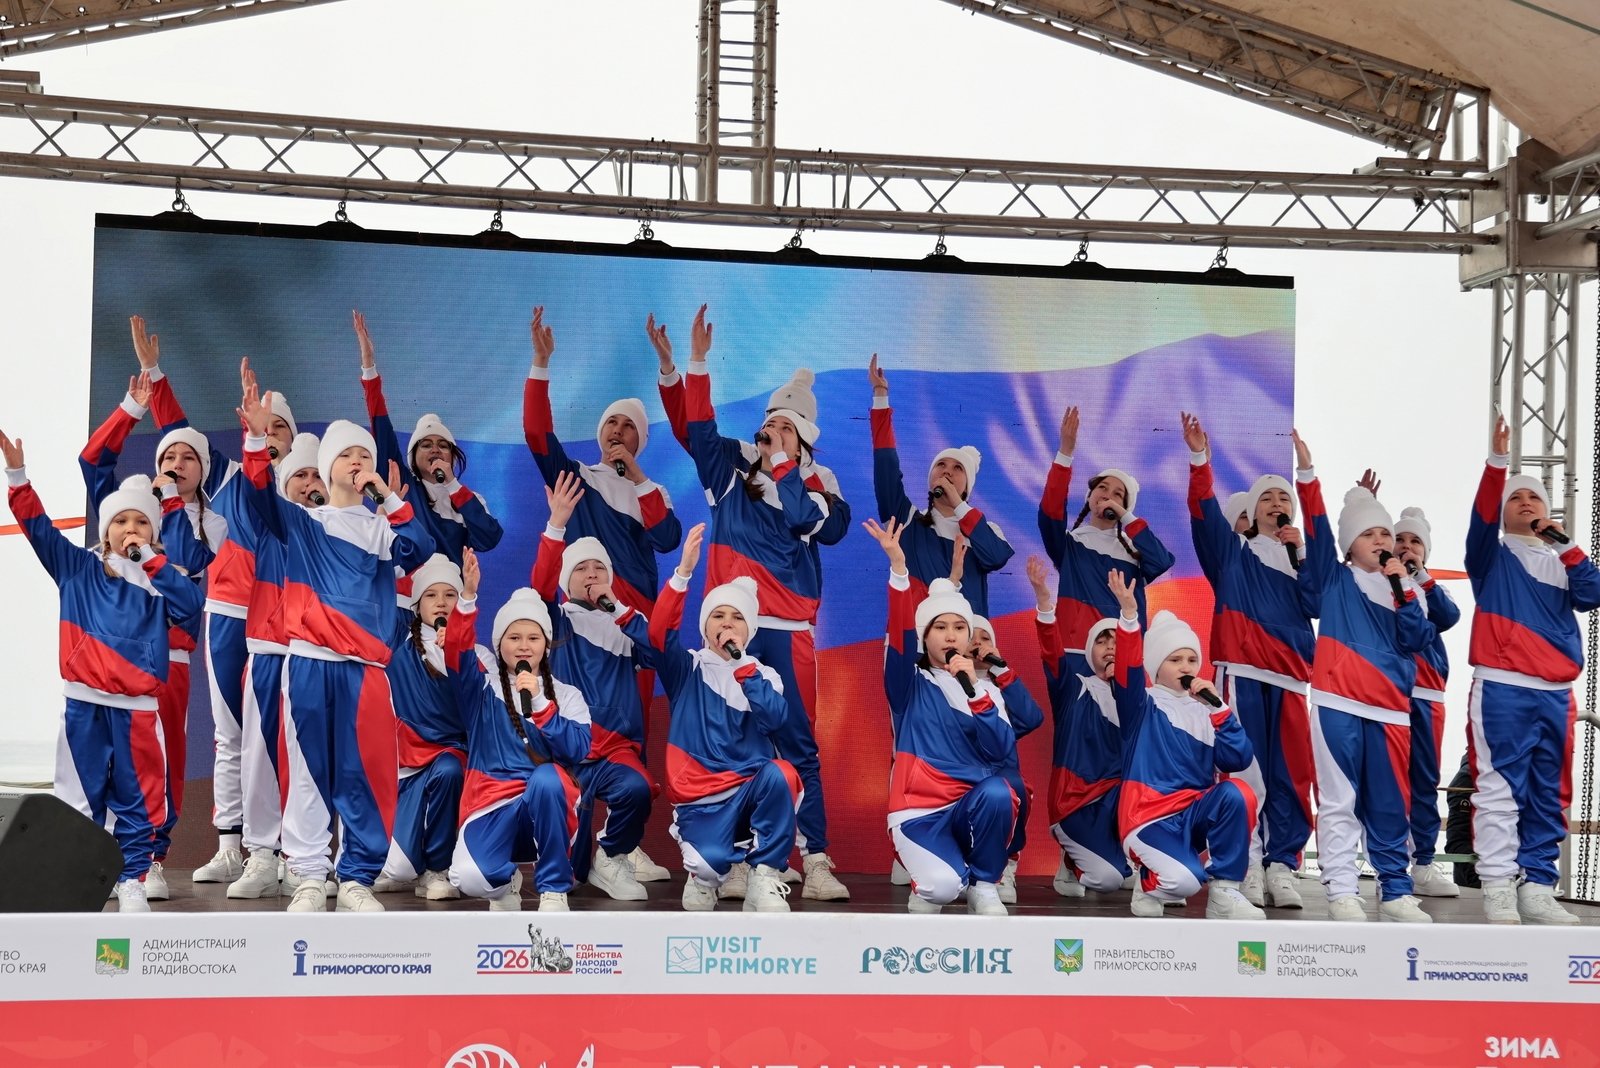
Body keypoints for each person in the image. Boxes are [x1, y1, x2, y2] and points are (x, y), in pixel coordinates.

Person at [652, 306, 849, 901]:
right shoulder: (732, 470)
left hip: (786, 630)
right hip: (728, 629)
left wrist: (784, 463)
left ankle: (816, 859)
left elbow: (813, 523)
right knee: (729, 743)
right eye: (769, 425)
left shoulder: (818, 483)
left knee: (796, 742)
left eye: (784, 427)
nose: (770, 433)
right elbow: (697, 430)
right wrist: (690, 364)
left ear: (804, 438)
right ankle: (739, 859)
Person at [238, 368, 434, 913]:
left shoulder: (381, 531)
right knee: (306, 772)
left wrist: (387, 496)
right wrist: (255, 438)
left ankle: (355, 879)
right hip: (308, 663)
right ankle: (307, 876)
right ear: (328, 468)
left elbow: (420, 548)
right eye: (346, 455)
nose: (356, 462)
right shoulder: (304, 522)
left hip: (365, 671)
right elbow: (259, 494)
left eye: (364, 456)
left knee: (363, 773)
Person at [124, 319, 298, 887]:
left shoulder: (306, 486)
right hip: (227, 615)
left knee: (281, 735)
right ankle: (230, 846)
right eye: (263, 425)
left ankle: (286, 852)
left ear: (293, 438)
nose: (270, 434)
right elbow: (180, 439)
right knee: (230, 734)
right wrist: (154, 373)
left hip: (284, 624)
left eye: (280, 428)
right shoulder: (228, 476)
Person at [3, 428, 204, 912]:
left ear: (153, 532)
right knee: (79, 798)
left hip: (138, 710)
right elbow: (38, 528)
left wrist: (152, 561)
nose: (131, 528)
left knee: (139, 799)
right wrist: (18, 475)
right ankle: (77, 880)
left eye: (141, 522)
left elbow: (191, 608)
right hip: (84, 707)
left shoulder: (161, 579)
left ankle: (132, 878)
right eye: (121, 521)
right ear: (105, 528)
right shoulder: (77, 567)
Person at [523, 305, 680, 885]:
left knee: (630, 731)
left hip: (631, 625)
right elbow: (537, 437)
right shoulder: (578, 479)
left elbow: (667, 538)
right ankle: (574, 845)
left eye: (628, 426)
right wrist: (541, 365)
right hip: (577, 628)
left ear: (640, 439)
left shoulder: (649, 489)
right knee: (579, 729)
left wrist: (637, 476)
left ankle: (623, 844)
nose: (617, 431)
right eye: (611, 423)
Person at [604, 526, 798, 912]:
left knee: (783, 774)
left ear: (749, 628)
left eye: (736, 617)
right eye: (718, 616)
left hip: (748, 791)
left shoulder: (763, 674)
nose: (727, 624)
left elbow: (775, 719)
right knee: (709, 867)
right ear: (705, 626)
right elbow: (658, 634)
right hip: (701, 799)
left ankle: (763, 876)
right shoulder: (687, 668)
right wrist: (683, 573)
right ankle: (703, 877)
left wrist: (743, 667)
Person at [75, 367, 209, 900]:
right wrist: (132, 409)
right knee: (99, 761)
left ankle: (150, 855)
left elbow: (192, 564)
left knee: (161, 758)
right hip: (105, 663)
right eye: (166, 457)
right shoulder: (122, 518)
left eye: (186, 458)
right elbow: (93, 462)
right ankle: (101, 855)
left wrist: (169, 503)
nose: (174, 464)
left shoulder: (196, 523)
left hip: (165, 660)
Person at [1181, 414, 1321, 909]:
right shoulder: (1232, 552)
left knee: (1292, 776)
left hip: (1292, 679)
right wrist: (1200, 458)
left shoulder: (1302, 556)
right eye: (1267, 498)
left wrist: (1302, 555)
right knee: (1245, 773)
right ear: (1253, 509)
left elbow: (1317, 603)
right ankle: (1247, 864)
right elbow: (1203, 511)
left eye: (1284, 498)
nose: (1277, 504)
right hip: (1241, 673)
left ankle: (1282, 865)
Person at [1464, 416, 1600, 925]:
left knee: (1550, 792)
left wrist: (1565, 544)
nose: (1526, 503)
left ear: (1548, 512)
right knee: (1500, 789)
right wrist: (1497, 463)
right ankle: (1499, 885)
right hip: (1503, 686)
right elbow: (1480, 518)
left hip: (1557, 692)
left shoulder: (1565, 562)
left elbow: (1594, 593)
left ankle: (1538, 887)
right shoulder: (1490, 556)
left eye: (1534, 499)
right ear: (1503, 513)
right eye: (1515, 498)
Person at [864, 517, 1027, 916]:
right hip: (918, 812)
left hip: (968, 804)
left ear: (970, 638)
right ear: (925, 636)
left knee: (1000, 791)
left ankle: (984, 885)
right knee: (941, 889)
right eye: (940, 627)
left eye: (959, 627)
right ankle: (933, 880)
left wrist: (976, 696)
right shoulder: (908, 683)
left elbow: (1001, 750)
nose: (950, 635)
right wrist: (899, 569)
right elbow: (900, 636)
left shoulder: (985, 690)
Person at [1304, 479, 1436, 923]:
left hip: (1391, 710)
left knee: (1389, 803)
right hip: (1337, 702)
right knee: (1339, 800)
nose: (1380, 540)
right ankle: (1342, 889)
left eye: (1385, 533)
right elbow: (1317, 528)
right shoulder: (1335, 577)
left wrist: (1404, 591)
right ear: (1349, 546)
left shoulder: (1408, 589)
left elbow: (1418, 638)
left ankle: (1395, 889)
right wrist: (1308, 478)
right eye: (1368, 534)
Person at [530, 472, 664, 902]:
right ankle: (562, 864)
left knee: (638, 789)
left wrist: (620, 609)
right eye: (581, 569)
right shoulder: (555, 621)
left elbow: (660, 653)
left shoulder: (625, 622)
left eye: (599, 568)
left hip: (615, 751)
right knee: (569, 874)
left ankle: (610, 856)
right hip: (568, 747)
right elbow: (540, 586)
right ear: (567, 581)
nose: (591, 574)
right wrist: (556, 524)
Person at [1106, 574, 1263, 920]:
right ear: (1155, 665)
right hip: (1148, 818)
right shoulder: (1141, 704)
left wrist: (1219, 710)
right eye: (1175, 659)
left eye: (1191, 660)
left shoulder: (1207, 711)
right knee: (1185, 883)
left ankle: (1225, 892)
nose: (1186, 667)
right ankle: (1148, 880)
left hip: (1191, 817)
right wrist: (1129, 616)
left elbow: (1238, 757)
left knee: (1239, 792)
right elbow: (1128, 670)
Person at [444, 550, 592, 913]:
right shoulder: (481, 689)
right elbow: (457, 652)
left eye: (533, 638)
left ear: (546, 645)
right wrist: (467, 596)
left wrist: (540, 703)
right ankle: (504, 882)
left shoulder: (567, 695)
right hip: (490, 804)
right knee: (469, 878)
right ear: (500, 645)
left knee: (547, 778)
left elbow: (578, 750)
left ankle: (553, 888)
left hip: (544, 805)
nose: (524, 646)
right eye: (514, 638)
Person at [229, 430, 332, 901]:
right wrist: (255, 438)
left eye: (317, 476)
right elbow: (257, 486)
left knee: (313, 763)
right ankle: (262, 856)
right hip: (271, 653)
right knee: (260, 759)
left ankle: (305, 861)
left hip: (319, 661)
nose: (309, 484)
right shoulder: (274, 521)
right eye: (300, 476)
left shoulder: (339, 532)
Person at [354, 310, 503, 571]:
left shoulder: (469, 499)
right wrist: (369, 366)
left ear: (453, 457)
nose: (435, 449)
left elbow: (489, 538)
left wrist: (453, 486)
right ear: (413, 455)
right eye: (426, 444)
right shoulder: (403, 484)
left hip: (449, 592)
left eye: (443, 445)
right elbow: (381, 426)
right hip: (404, 591)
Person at [867, 353, 1013, 614]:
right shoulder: (907, 520)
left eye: (958, 468)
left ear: (967, 487)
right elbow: (885, 465)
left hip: (966, 635)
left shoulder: (985, 531)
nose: (947, 471)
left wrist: (958, 504)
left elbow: (996, 557)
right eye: (941, 465)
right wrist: (880, 396)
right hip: (915, 633)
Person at [1027, 555, 1130, 899]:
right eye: (1102, 641)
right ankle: (1072, 861)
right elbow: (1052, 652)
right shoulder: (1073, 687)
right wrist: (1044, 602)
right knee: (1108, 880)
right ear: (1089, 651)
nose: (1111, 646)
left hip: (1119, 802)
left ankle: (1141, 862)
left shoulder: (1141, 699)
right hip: (1076, 803)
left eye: (1117, 640)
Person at [1038, 404, 1175, 660]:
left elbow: (1161, 561)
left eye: (1118, 494)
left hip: (1123, 654)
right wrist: (1065, 453)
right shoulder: (1070, 545)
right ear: (1089, 497)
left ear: (1125, 507)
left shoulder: (1134, 551)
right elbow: (1050, 513)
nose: (1108, 495)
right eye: (1102, 488)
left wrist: (1126, 516)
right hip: (1075, 651)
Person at [373, 553, 473, 901]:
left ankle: (437, 869)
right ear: (417, 605)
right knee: (398, 869)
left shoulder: (477, 655)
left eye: (450, 594)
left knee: (448, 771)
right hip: (406, 765)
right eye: (431, 595)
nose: (441, 602)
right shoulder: (397, 651)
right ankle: (408, 866)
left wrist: (457, 655)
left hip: (452, 758)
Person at [1392, 506, 1463, 898]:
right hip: (1387, 693)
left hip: (1428, 694)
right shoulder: (1378, 582)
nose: (1406, 546)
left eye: (1415, 541)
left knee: (1424, 781)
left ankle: (1422, 862)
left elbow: (1448, 616)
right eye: (1399, 539)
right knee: (1386, 781)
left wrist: (1419, 574)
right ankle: (1388, 864)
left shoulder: (1431, 587)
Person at [967, 609, 1043, 904]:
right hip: (962, 771)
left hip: (1000, 772)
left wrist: (1001, 669)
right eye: (971, 636)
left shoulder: (1001, 687)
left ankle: (1006, 866)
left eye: (985, 638)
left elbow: (1030, 718)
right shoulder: (945, 682)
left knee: (1018, 787)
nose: (978, 643)